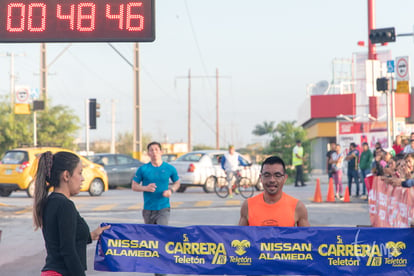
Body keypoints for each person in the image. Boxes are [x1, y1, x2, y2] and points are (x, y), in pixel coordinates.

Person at [33, 151, 110, 276]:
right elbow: (68, 251)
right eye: (79, 173)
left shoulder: (50, 201)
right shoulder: (65, 206)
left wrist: (92, 235)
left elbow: (63, 240)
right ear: (66, 176)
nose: (83, 178)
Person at [132, 142, 180, 276]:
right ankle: (157, 271)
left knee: (162, 236)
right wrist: (145, 188)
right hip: (148, 210)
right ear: (148, 153)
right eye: (151, 150)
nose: (154, 152)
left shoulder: (169, 168)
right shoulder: (143, 169)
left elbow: (177, 182)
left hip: (163, 208)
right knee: (153, 242)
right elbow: (134, 186)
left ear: (161, 152)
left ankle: (162, 271)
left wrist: (171, 190)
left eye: (156, 149)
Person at [239, 156, 309, 227]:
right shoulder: (248, 206)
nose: (272, 180)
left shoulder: (297, 207)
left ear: (285, 178)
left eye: (277, 175)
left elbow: (307, 237)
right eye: (267, 175)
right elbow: (239, 236)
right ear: (261, 178)